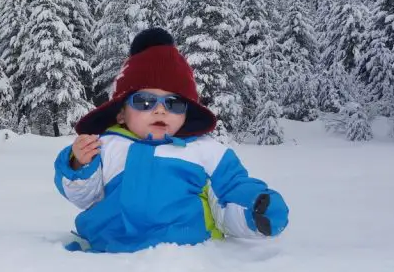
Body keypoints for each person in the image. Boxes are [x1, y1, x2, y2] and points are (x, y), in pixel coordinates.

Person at [54, 27, 289, 253]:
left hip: (184, 263)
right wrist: (78, 165)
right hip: (107, 257)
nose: (160, 111)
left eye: (173, 103)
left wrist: (254, 208)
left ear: (187, 112)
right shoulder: (107, 146)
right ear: (121, 112)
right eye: (145, 102)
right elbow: (86, 198)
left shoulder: (205, 152)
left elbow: (229, 194)